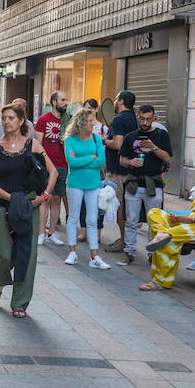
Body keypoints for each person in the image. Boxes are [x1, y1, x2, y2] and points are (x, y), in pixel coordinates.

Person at [0, 103, 57, 317]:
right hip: (3, 206)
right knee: (6, 253)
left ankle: (20, 302)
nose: (6, 121)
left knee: (27, 254)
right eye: (3, 118)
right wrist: (12, 199)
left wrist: (44, 196)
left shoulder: (32, 145)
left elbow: (53, 172)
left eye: (11, 118)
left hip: (29, 205)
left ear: (22, 121)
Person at [141, 157, 195, 291]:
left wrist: (186, 220)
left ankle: (161, 281)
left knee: (171, 236)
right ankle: (162, 233)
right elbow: (194, 212)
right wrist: (181, 218)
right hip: (191, 221)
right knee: (154, 213)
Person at [118, 104, 172, 266]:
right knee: (131, 221)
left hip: (153, 184)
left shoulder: (161, 135)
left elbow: (167, 157)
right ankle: (129, 252)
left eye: (148, 119)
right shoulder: (130, 136)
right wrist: (130, 161)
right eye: (142, 118)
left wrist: (153, 147)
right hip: (134, 183)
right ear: (137, 117)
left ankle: (153, 253)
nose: (145, 122)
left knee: (155, 222)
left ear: (153, 118)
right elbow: (122, 160)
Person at [62, 106, 110, 270]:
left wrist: (82, 161)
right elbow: (72, 163)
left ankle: (94, 256)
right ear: (82, 123)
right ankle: (72, 252)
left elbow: (101, 161)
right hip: (75, 183)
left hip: (93, 184)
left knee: (92, 219)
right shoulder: (69, 140)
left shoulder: (97, 138)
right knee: (73, 217)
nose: (93, 124)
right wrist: (90, 157)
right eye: (90, 121)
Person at [34, 92, 72, 247]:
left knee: (57, 199)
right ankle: (41, 233)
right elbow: (38, 144)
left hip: (62, 165)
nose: (66, 102)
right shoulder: (44, 120)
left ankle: (52, 232)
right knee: (45, 198)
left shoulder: (68, 120)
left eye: (66, 100)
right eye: (62, 100)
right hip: (46, 166)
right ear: (54, 102)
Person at [102, 91, 138, 252]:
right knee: (127, 206)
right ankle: (126, 239)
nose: (115, 102)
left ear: (122, 101)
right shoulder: (134, 118)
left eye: (116, 99)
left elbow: (117, 144)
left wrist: (104, 140)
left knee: (119, 206)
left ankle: (124, 240)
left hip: (118, 170)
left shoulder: (119, 119)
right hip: (129, 167)